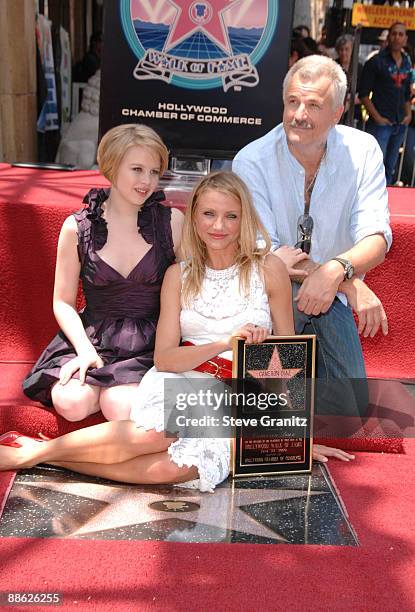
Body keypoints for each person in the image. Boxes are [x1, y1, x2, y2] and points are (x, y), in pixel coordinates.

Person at [1, 172, 354, 491]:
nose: (220, 225)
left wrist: (292, 437)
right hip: (184, 378)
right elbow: (166, 358)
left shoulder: (269, 269)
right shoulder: (179, 275)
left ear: (245, 218)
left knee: (176, 468)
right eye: (209, 214)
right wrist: (222, 344)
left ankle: (40, 454)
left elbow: (288, 354)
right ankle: (29, 455)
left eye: (231, 215)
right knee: (157, 433)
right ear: (194, 218)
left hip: (240, 397)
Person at [233, 55, 391, 419]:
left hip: (329, 293)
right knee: (278, 406)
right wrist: (348, 283)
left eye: (313, 105)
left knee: (351, 410)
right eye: (292, 101)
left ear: (338, 112)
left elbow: (377, 237)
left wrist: (335, 272)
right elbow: (268, 250)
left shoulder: (363, 151)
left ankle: (277, 399)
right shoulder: (251, 160)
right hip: (271, 294)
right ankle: (269, 410)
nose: (298, 114)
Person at [23, 123, 183, 422]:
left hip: (149, 343)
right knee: (70, 403)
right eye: (137, 169)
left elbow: (195, 285)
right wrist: (84, 350)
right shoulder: (77, 227)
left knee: (120, 407)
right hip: (93, 337)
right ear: (111, 166)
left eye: (154, 171)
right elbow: (63, 302)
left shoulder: (172, 222)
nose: (147, 181)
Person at [359, 22, 413, 184]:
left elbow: (406, 93)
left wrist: (408, 114)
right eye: (394, 34)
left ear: (405, 39)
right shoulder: (376, 61)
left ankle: (388, 204)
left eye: (401, 34)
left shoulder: (406, 62)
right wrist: (378, 118)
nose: (397, 37)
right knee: (375, 168)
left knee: (390, 168)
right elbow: (363, 95)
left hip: (399, 122)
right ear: (389, 37)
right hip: (380, 124)